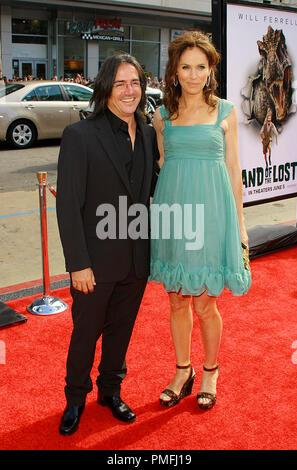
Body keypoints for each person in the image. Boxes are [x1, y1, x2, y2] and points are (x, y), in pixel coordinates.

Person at [56, 52, 159, 435]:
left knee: (121, 330)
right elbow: (68, 205)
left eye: (135, 83)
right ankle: (75, 398)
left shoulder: (147, 132)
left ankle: (110, 391)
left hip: (135, 258)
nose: (129, 91)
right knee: (85, 332)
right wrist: (78, 263)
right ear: (105, 88)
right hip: (94, 263)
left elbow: (147, 194)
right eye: (120, 83)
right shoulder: (80, 135)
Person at [148, 31, 251, 410]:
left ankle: (210, 370)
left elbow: (234, 169)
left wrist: (239, 225)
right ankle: (182, 369)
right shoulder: (161, 116)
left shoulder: (225, 111)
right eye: (185, 66)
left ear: (211, 71)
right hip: (174, 216)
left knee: (205, 304)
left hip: (211, 216)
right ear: (174, 71)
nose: (193, 74)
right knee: (176, 301)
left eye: (201, 67)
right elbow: (163, 164)